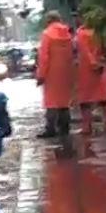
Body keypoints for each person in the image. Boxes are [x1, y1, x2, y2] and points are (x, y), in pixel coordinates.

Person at [36, 11, 75, 139]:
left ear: (49, 20)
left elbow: (44, 57)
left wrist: (41, 75)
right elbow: (72, 54)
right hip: (66, 72)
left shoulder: (47, 34)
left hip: (51, 73)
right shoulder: (68, 34)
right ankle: (65, 127)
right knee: (64, 101)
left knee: (51, 102)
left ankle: (50, 128)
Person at [71, 12, 106, 135]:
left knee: (85, 100)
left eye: (77, 16)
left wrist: (93, 63)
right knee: (104, 98)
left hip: (86, 71)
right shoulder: (99, 31)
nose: (76, 19)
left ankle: (87, 126)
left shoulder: (81, 33)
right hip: (101, 68)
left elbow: (84, 51)